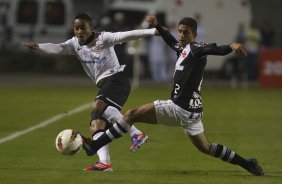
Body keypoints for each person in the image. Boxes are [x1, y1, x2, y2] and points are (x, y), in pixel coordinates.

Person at [81, 15, 265, 176]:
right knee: (206, 147)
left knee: (131, 114)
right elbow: (170, 41)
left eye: (186, 33)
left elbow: (215, 49)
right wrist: (158, 26)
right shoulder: (182, 48)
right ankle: (247, 163)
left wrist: (232, 46)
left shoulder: (196, 48)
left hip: (179, 107)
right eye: (180, 32)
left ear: (195, 34)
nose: (182, 36)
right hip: (193, 112)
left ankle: (95, 146)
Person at [23, 13, 157, 171]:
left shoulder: (103, 38)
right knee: (96, 125)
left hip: (116, 80)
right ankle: (105, 163)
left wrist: (153, 31)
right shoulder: (74, 44)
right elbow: (59, 48)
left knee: (98, 105)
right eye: (76, 28)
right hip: (104, 85)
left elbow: (127, 35)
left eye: (83, 28)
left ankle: (136, 134)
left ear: (91, 28)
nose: (79, 31)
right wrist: (39, 46)